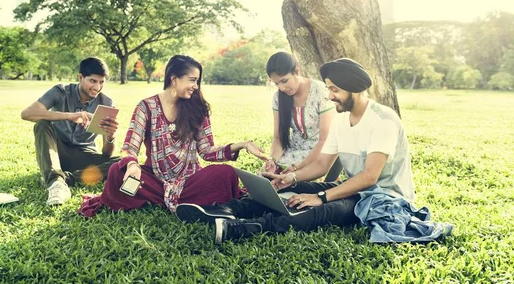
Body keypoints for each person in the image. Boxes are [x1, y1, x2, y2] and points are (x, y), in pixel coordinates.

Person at [176, 58, 440, 244]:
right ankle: (226, 210)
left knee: (321, 210)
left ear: (355, 90)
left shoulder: (383, 121)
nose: (329, 96)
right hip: (356, 189)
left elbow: (370, 177)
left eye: (334, 90)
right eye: (328, 88)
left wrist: (322, 197)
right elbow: (322, 166)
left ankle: (244, 228)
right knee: (291, 192)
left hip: (384, 199)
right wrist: (289, 179)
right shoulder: (341, 121)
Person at [78, 55, 269, 217]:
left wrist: (242, 145)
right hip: (154, 179)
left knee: (226, 174)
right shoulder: (146, 107)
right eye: (192, 80)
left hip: (190, 180)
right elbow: (130, 146)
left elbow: (207, 151)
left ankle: (179, 201)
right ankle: (188, 203)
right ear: (174, 79)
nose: (196, 86)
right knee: (116, 173)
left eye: (197, 81)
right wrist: (133, 165)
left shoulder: (198, 108)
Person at [21, 57, 120, 206]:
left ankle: (65, 179)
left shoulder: (107, 103)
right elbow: (27, 113)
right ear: (80, 77)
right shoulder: (60, 91)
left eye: (101, 82)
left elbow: (107, 154)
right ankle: (55, 183)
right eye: (92, 81)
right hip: (56, 151)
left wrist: (111, 136)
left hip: (84, 156)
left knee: (122, 163)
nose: (97, 87)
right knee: (41, 124)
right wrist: (70, 116)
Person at [261, 52, 342, 181]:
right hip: (293, 150)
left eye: (284, 81)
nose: (282, 88)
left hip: (319, 152)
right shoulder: (278, 97)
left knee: (290, 182)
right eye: (276, 84)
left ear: (297, 71)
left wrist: (298, 167)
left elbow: (324, 140)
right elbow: (278, 137)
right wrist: (273, 160)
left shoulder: (320, 91)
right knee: (266, 179)